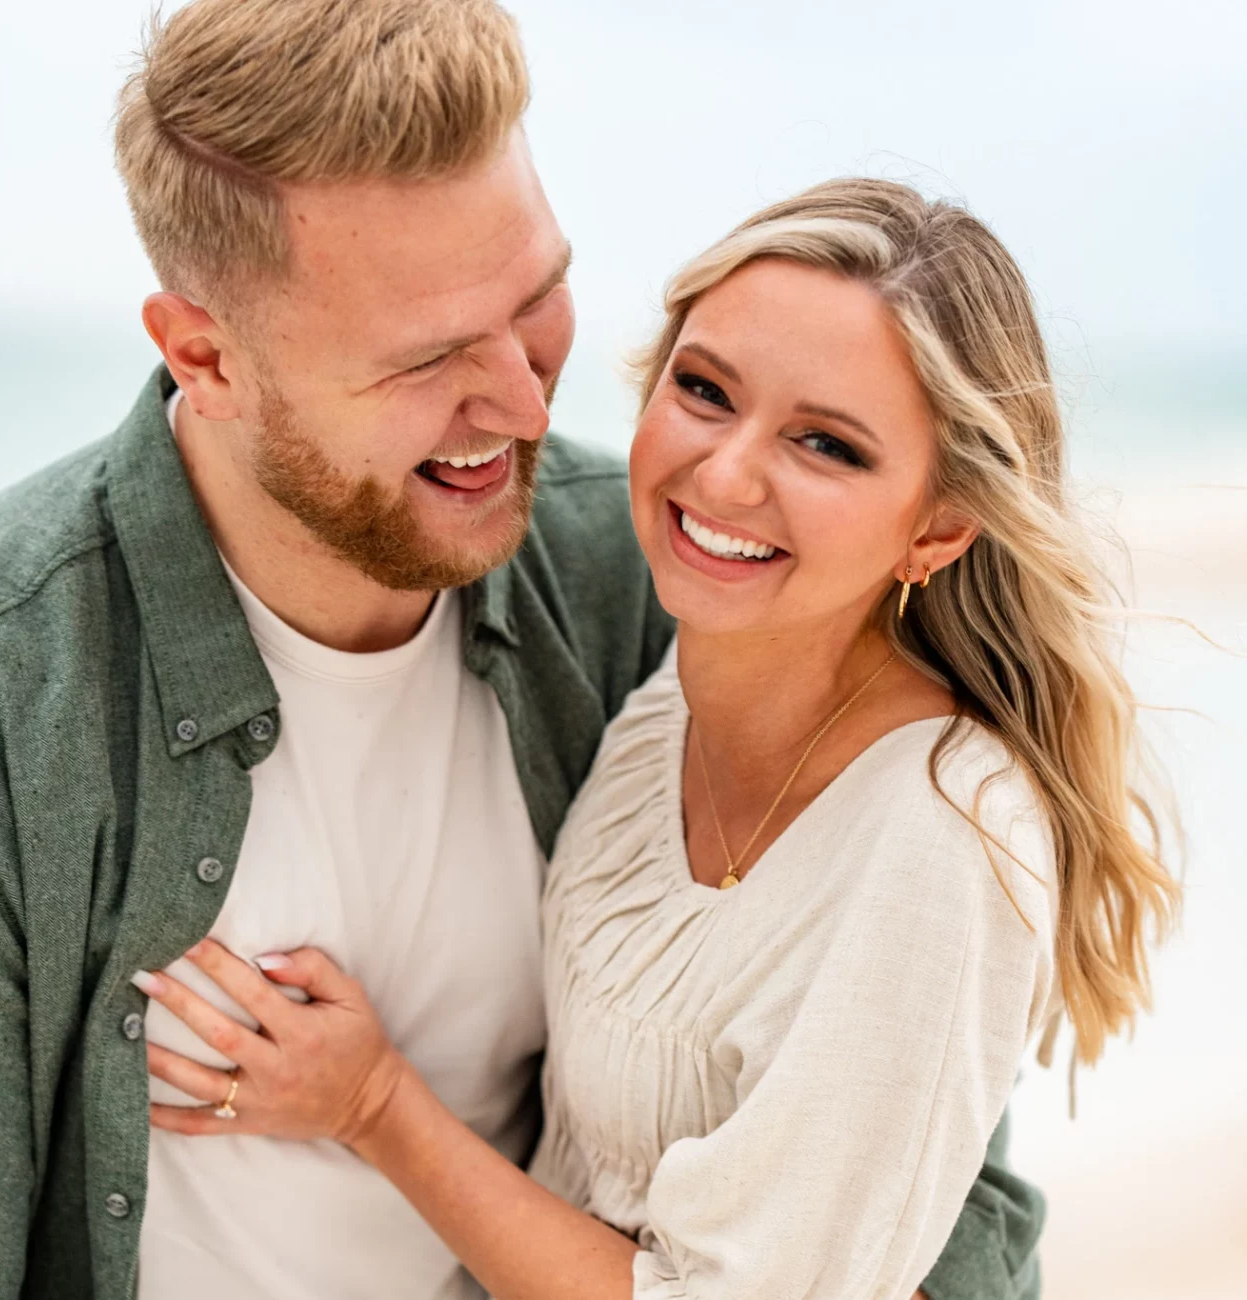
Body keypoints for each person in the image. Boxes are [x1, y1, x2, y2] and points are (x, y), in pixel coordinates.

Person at [0, 2, 1049, 1298]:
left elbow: (931, 1162)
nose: (528, 407)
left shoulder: (644, 578)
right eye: (427, 358)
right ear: (205, 356)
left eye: (536, 303)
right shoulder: (1, 698)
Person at [132, 180, 1179, 1298]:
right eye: (704, 389)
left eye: (826, 444)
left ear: (938, 527)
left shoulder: (939, 839)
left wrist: (375, 1105)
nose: (724, 474)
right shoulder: (673, 687)